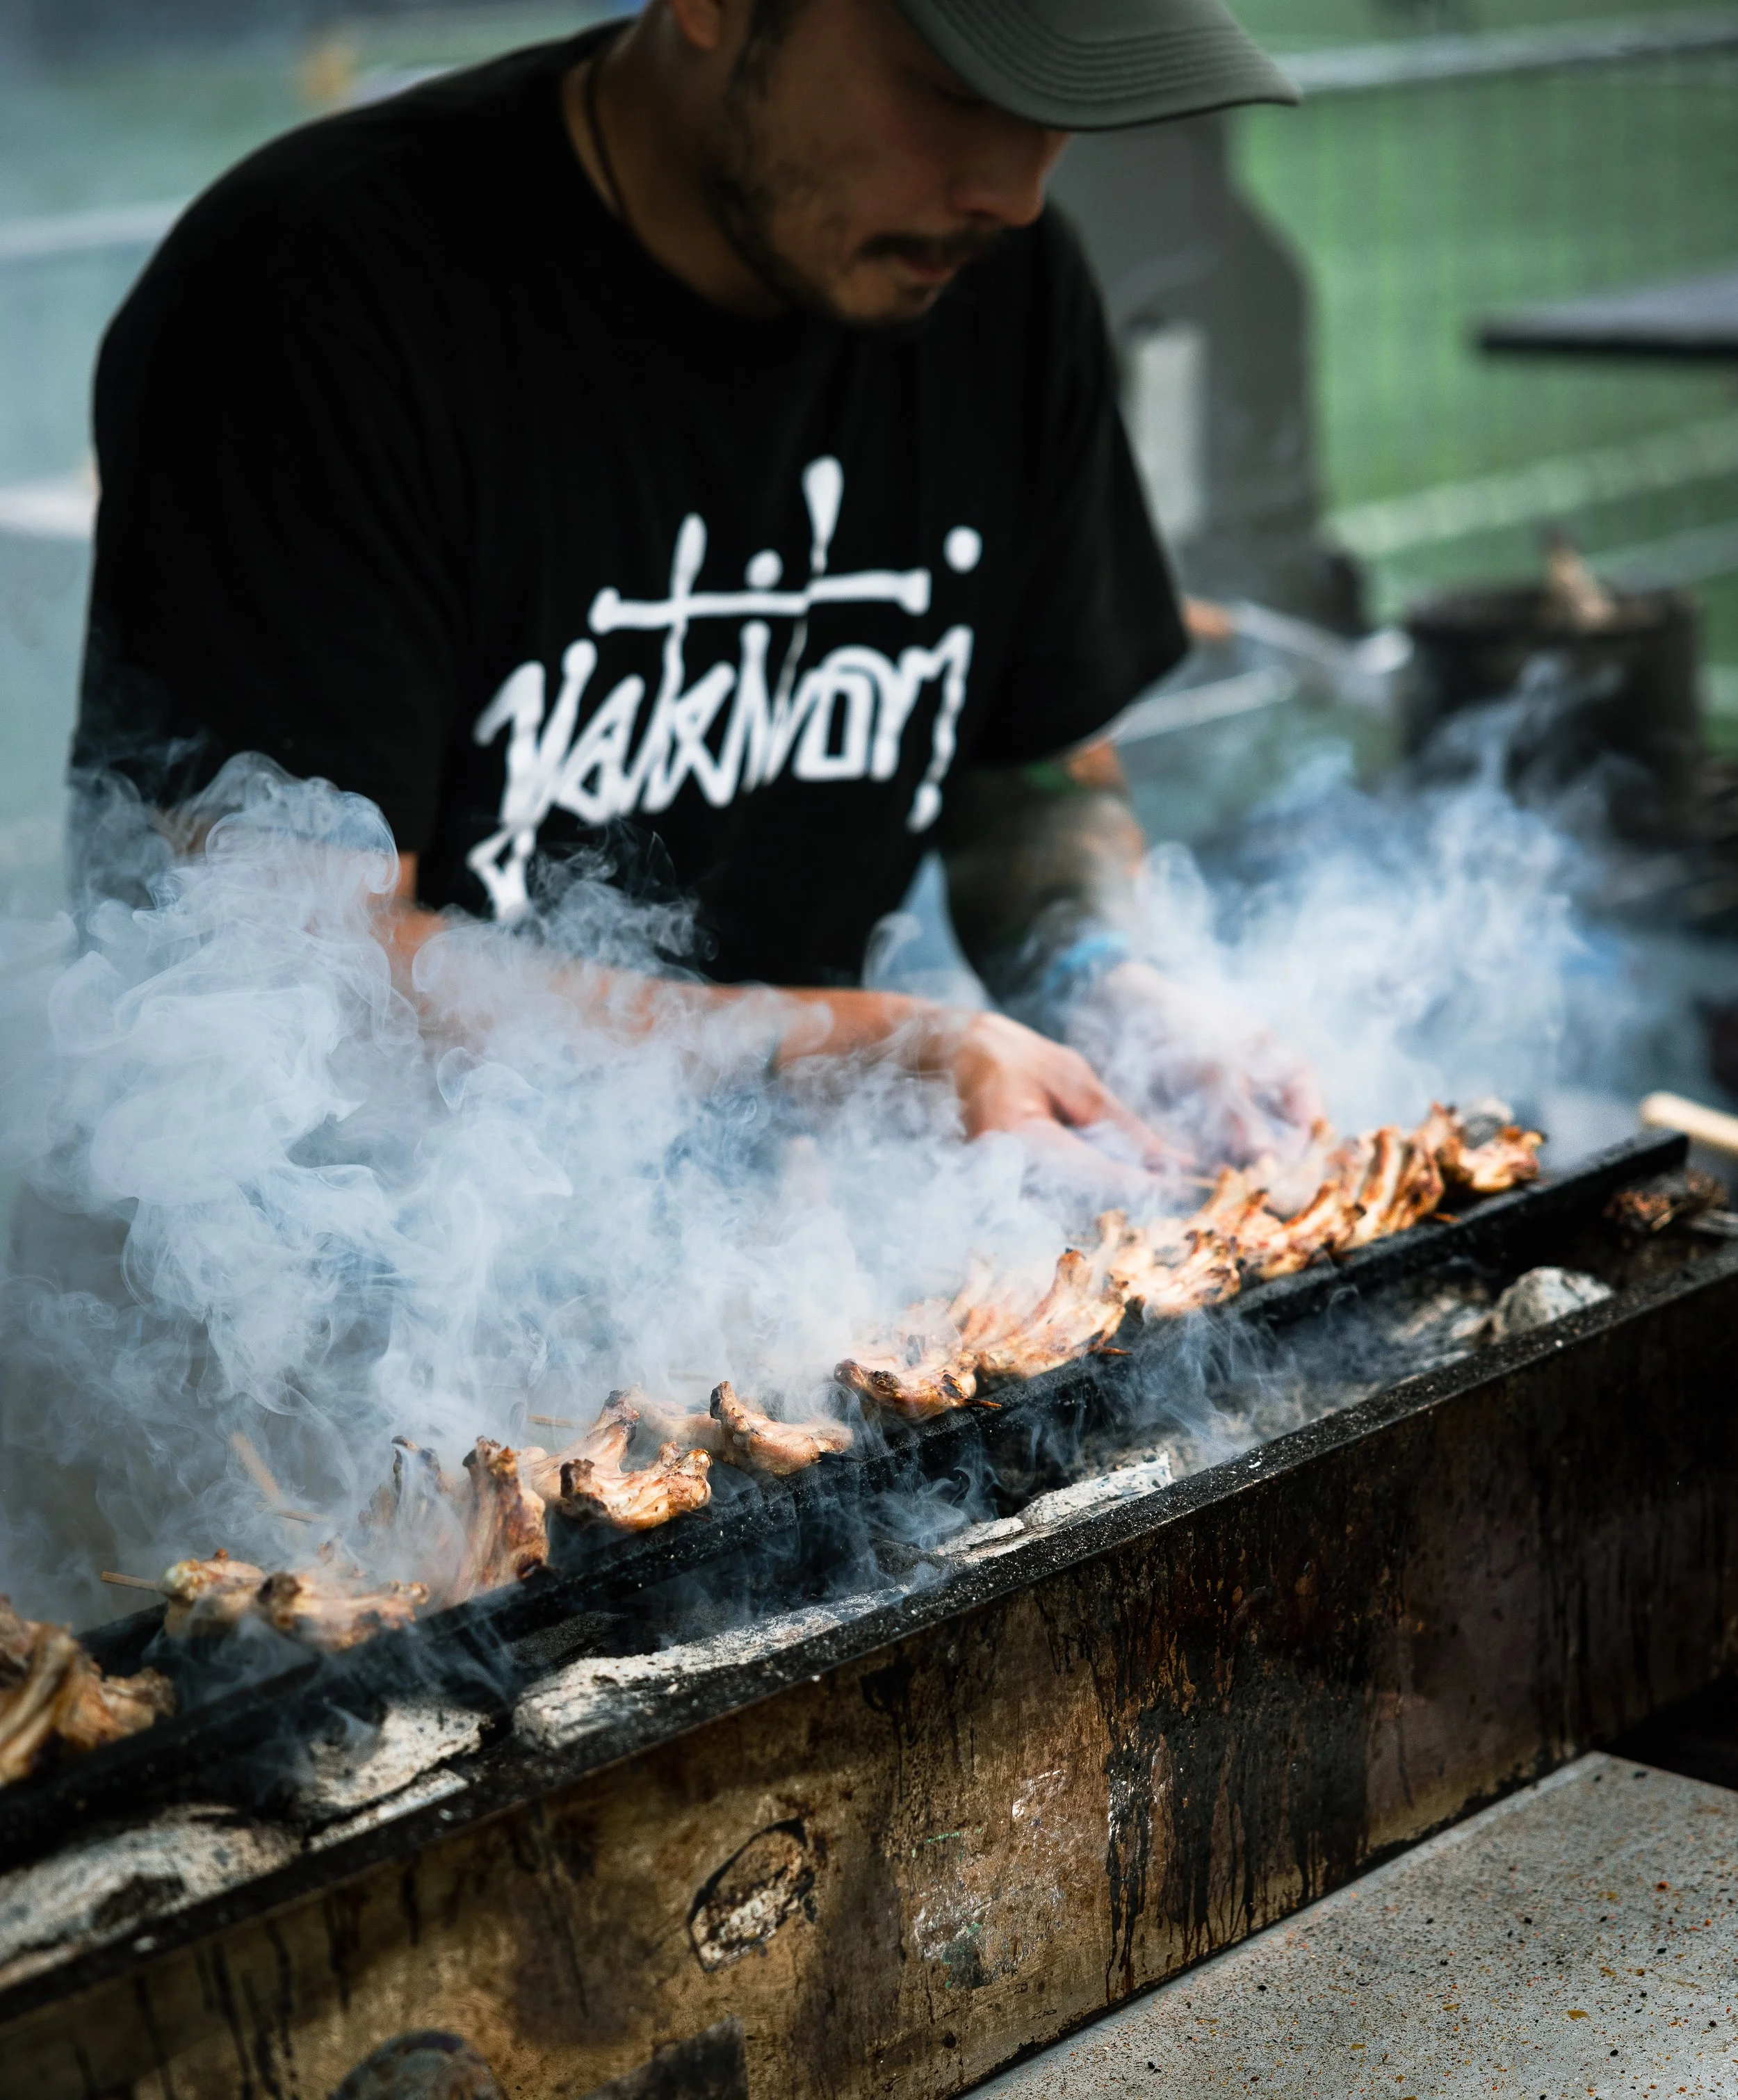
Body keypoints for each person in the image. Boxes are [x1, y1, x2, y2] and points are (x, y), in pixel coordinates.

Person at [75, 0, 1321, 1178]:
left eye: (1061, 108)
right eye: (952, 89)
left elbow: (1038, 778)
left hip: (786, 1272)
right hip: (350, 1317)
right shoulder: (317, 296)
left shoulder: (1002, 282)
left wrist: (1110, 978)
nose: (1013, 188)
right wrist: (846, 1051)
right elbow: (284, 979)